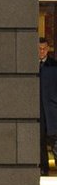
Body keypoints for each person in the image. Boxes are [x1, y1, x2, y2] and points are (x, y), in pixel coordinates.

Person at [39, 38, 57, 175]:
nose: (42, 51)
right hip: (38, 110)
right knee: (40, 141)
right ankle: (43, 169)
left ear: (48, 49)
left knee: (54, 141)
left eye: (44, 48)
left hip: (51, 110)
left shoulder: (54, 65)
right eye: (39, 48)